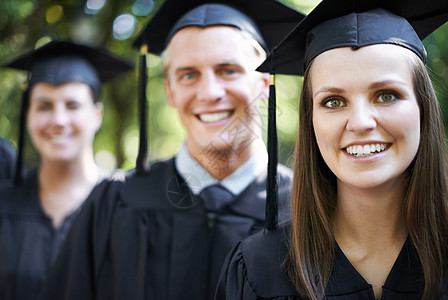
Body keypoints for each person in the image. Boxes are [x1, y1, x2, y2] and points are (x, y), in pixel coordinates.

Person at [39, 1, 304, 299]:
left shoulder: (306, 211)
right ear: (170, 92)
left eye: (228, 70)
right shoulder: (114, 203)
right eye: (188, 75)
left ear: (264, 85)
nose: (209, 92)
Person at [216, 0, 448, 299]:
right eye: (333, 102)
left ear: (423, 110)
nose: (361, 122)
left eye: (387, 95)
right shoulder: (257, 269)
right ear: (310, 121)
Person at [0, 40, 132, 300]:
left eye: (72, 105)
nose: (58, 121)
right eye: (44, 106)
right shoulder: (3, 204)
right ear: (28, 116)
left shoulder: (127, 210)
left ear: (97, 115)